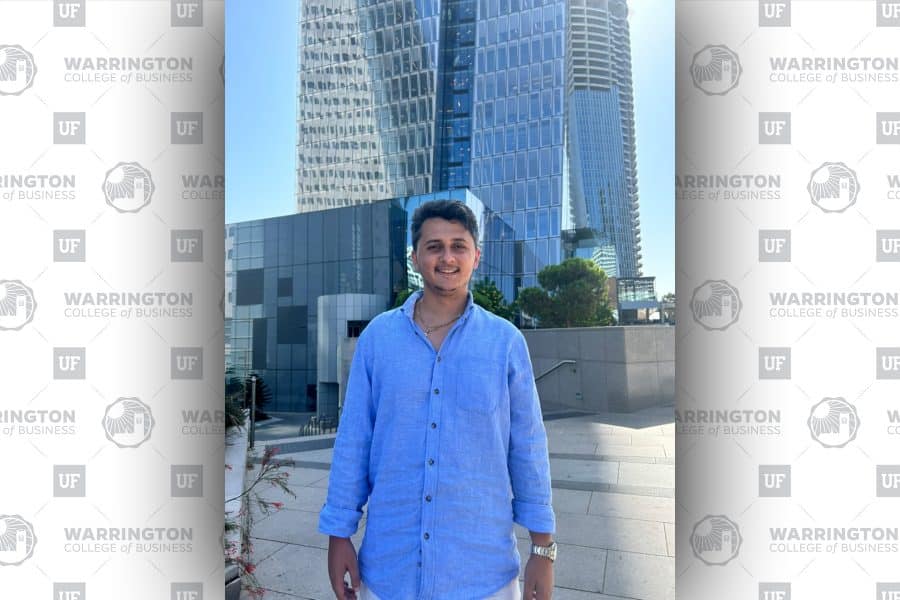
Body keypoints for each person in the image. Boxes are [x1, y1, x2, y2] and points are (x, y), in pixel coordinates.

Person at [318, 200, 557, 599]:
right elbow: (354, 440)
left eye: (458, 246)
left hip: (484, 576)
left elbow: (528, 448)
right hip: (387, 573)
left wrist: (542, 548)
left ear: (476, 257)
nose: (447, 257)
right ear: (415, 257)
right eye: (434, 246)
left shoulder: (506, 343)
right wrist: (338, 534)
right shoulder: (377, 339)